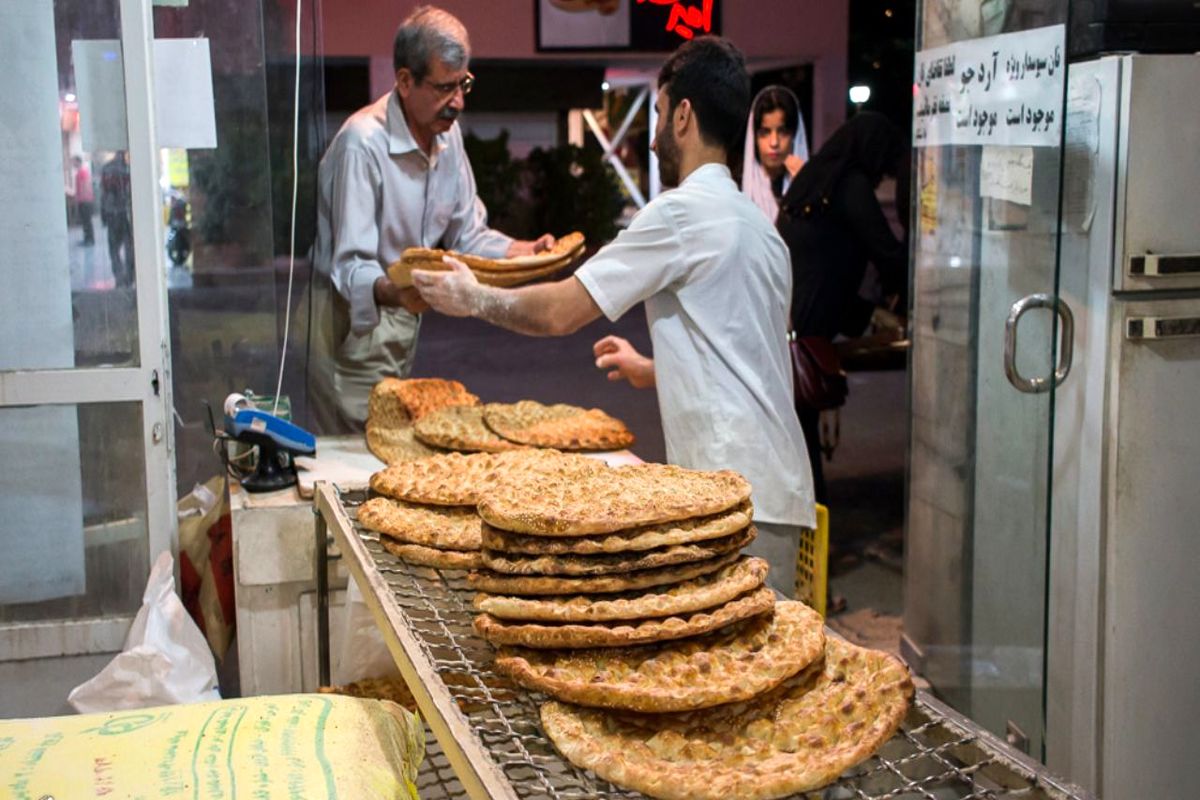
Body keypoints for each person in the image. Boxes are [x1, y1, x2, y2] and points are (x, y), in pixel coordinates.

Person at [412, 36, 815, 597]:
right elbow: (747, 351)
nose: (651, 140)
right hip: (780, 490)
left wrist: (474, 296)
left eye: (655, 116)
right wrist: (652, 367)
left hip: (731, 492)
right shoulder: (760, 230)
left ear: (682, 116)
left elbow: (560, 311)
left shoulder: (681, 214)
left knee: (725, 668)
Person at [309, 5, 553, 432]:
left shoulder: (446, 134)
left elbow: (466, 233)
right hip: (351, 323)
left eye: (464, 85)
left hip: (403, 314)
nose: (457, 102)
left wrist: (522, 252)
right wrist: (396, 290)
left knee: (390, 442)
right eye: (444, 88)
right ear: (405, 81)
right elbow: (349, 266)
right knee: (356, 451)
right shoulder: (362, 144)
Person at [775, 111, 908, 504]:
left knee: (796, 442)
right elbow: (886, 252)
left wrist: (870, 313)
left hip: (785, 325)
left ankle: (803, 536)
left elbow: (822, 267)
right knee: (804, 446)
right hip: (804, 336)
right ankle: (809, 539)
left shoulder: (815, 183)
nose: (883, 177)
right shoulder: (850, 186)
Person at [740, 85, 808, 224]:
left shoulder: (813, 187)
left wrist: (805, 186)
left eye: (782, 132)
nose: (774, 142)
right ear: (754, 138)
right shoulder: (737, 188)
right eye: (765, 133)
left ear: (795, 135)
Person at [100, 151, 133, 286]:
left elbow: (103, 194)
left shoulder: (107, 168)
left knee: (114, 248)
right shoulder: (128, 169)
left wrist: (104, 213)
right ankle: (129, 277)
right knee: (128, 246)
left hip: (112, 212)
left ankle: (119, 276)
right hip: (125, 213)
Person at [72, 156, 96, 246]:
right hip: (84, 200)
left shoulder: (82, 172)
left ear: (78, 162)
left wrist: (82, 198)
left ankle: (90, 240)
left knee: (87, 221)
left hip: (85, 200)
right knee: (85, 221)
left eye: (74, 162)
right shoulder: (81, 172)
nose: (73, 164)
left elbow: (85, 186)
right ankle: (87, 239)